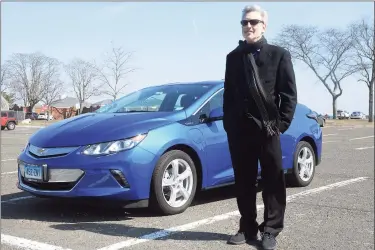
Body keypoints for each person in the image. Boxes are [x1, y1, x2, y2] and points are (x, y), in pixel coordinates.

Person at [223, 4, 297, 250]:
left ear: (264, 26)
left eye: (253, 22)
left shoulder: (279, 54)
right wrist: (229, 125)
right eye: (244, 22)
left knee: (273, 180)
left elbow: (288, 94)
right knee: (243, 182)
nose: (248, 26)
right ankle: (247, 227)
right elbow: (228, 95)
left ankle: (271, 230)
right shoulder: (233, 58)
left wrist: (282, 124)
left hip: (268, 129)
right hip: (240, 131)